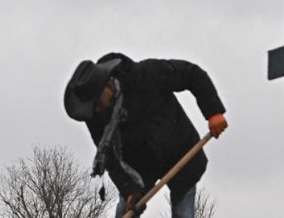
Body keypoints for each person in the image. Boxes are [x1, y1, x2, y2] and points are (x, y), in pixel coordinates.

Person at [64, 53, 227, 217]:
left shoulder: (146, 75)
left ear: (108, 85)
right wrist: (129, 191)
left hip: (179, 151)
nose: (96, 109)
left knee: (183, 212)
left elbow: (192, 74)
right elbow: (110, 158)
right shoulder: (96, 115)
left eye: (97, 102)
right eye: (92, 106)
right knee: (124, 212)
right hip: (138, 167)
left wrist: (213, 112)